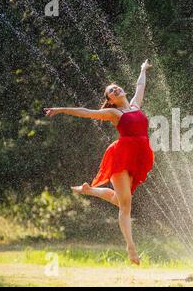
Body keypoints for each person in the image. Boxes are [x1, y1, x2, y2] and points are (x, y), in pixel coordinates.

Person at [44, 59, 154, 264]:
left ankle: (89, 190)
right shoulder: (114, 113)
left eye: (116, 87)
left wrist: (142, 69)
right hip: (121, 157)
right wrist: (59, 109)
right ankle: (131, 249)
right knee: (125, 206)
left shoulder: (135, 106)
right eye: (112, 91)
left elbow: (140, 86)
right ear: (110, 100)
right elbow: (86, 112)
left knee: (120, 200)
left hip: (138, 157)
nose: (116, 89)